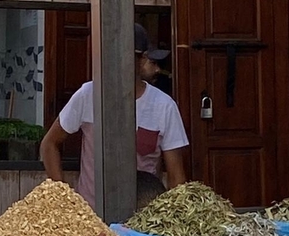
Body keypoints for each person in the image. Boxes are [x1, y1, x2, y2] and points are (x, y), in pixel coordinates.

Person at [40, 24, 188, 210]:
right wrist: (64, 199)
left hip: (141, 218)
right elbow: (49, 144)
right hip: (91, 216)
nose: (118, 62)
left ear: (141, 59)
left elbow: (177, 178)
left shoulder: (164, 106)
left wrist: (173, 218)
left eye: (126, 56)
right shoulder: (88, 94)